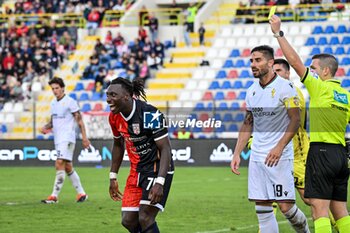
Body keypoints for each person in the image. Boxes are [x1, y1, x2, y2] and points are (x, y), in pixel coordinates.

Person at [270, 15, 350, 233]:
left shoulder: (320, 88)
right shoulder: (345, 95)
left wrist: (278, 34)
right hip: (341, 155)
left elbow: (294, 62)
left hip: (321, 153)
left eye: (314, 68)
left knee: (319, 209)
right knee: (341, 210)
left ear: (325, 71)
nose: (311, 70)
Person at [231, 45, 310, 233]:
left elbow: (295, 119)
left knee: (286, 207)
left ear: (270, 62)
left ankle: (305, 231)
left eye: (257, 60)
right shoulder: (251, 91)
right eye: (251, 61)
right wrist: (236, 153)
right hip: (257, 157)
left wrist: (279, 147)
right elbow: (247, 123)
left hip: (280, 158)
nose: (253, 64)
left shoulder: (285, 87)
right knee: (262, 208)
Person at [107, 78, 174, 233]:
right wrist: (112, 176)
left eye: (113, 95)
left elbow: (165, 149)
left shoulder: (150, 114)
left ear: (126, 96)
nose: (108, 99)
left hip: (157, 168)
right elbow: (118, 145)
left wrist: (160, 182)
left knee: (145, 217)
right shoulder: (114, 117)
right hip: (136, 171)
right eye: (107, 95)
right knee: (128, 220)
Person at [41, 77, 90, 204]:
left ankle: (54, 196)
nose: (55, 91)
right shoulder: (53, 103)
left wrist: (84, 138)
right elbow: (53, 121)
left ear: (62, 88)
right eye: (52, 89)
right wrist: (46, 127)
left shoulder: (70, 102)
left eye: (57, 88)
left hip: (67, 138)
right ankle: (81, 193)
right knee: (68, 167)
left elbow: (79, 120)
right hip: (58, 139)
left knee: (59, 162)